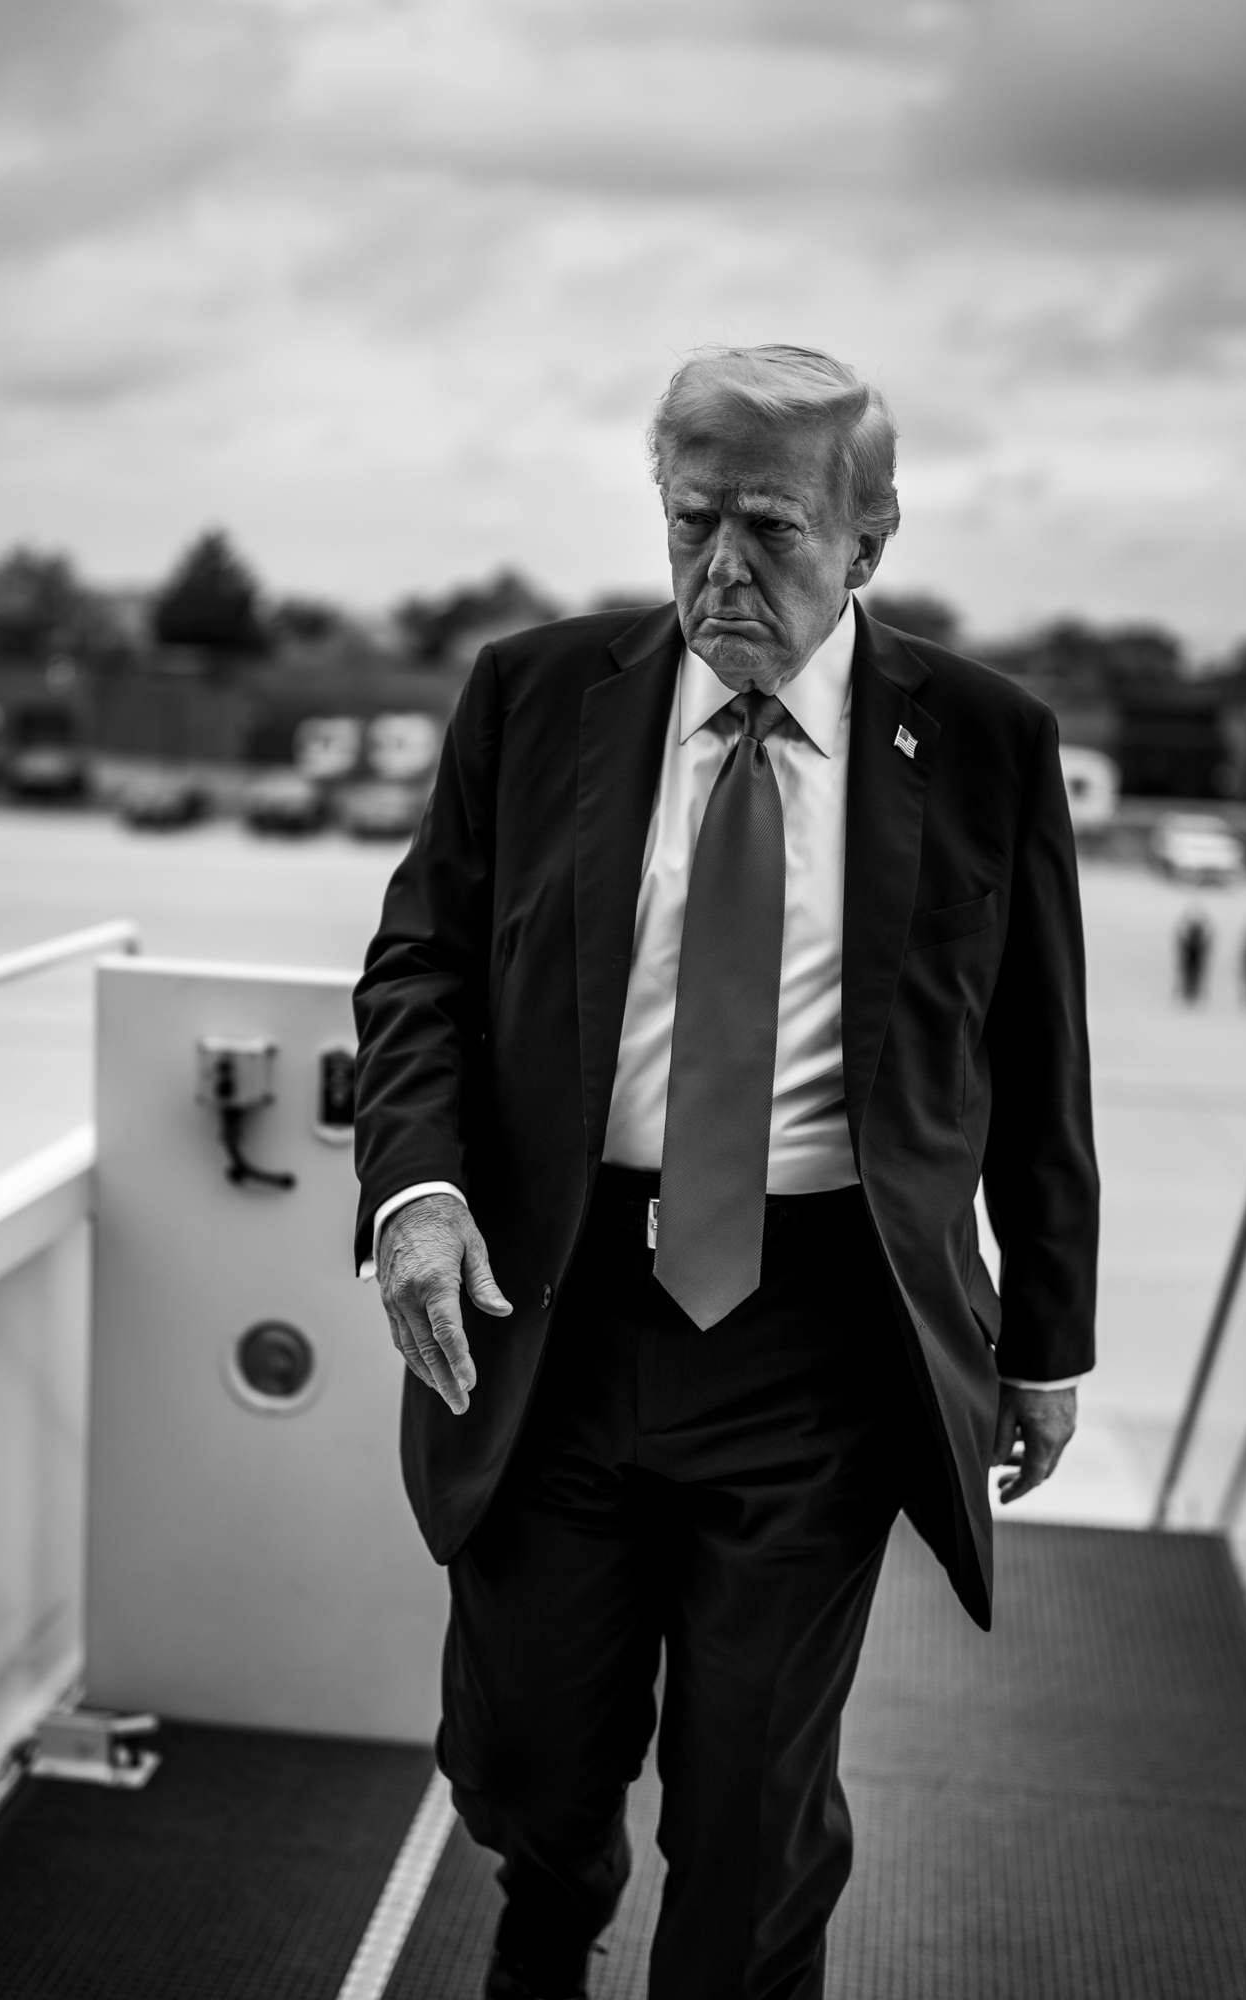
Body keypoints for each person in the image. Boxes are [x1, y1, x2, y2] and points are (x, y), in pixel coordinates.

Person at [352, 345, 1099, 2000]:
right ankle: (558, 1886)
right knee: (525, 1765)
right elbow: (421, 970)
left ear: (870, 537)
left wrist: (1048, 1334)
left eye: (770, 529)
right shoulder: (533, 697)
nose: (722, 571)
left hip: (819, 1340)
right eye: (692, 523)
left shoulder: (983, 742)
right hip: (549, 1313)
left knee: (753, 1814)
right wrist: (414, 1190)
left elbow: (1043, 1057)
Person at [1176, 905, 1212, 1005]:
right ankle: (1189, 995)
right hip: (1191, 961)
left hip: (1194, 962)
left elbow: (1205, 946)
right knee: (1190, 977)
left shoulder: (1196, 940)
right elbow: (1183, 944)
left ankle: (1192, 995)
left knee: (1194, 977)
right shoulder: (1194, 940)